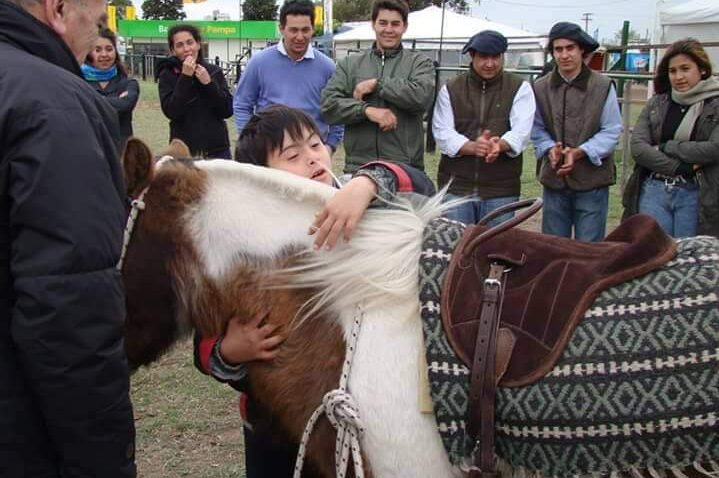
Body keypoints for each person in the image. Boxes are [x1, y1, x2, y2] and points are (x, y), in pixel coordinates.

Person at [194, 105, 434, 477]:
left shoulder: (363, 198)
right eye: (292, 155)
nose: (312, 158)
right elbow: (205, 341)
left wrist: (368, 183)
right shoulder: (251, 248)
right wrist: (229, 350)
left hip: (365, 411)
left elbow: (419, 183)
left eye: (315, 145)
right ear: (263, 180)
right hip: (275, 426)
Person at [0, 0, 136, 476]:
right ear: (58, 9)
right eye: (97, 22)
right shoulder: (53, 104)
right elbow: (69, 307)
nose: (96, 37)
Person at [432, 30, 536, 225]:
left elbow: (522, 131)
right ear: (472, 56)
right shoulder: (451, 88)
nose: (490, 64)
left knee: (494, 251)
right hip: (457, 188)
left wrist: (500, 145)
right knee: (457, 250)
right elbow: (442, 132)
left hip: (501, 189)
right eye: (483, 57)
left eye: (495, 57)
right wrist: (473, 147)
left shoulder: (520, 88)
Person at [531, 22, 623, 241]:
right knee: (553, 249)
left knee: (589, 251)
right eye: (558, 49)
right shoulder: (541, 87)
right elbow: (536, 128)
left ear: (581, 50)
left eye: (570, 48)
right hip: (554, 181)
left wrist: (581, 151)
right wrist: (548, 148)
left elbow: (611, 130)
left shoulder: (602, 85)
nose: (564, 55)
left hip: (592, 182)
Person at [320, 0, 434, 173]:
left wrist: (378, 84)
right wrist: (366, 111)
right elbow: (328, 105)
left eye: (395, 24)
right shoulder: (350, 64)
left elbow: (422, 97)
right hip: (358, 168)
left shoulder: (419, 63)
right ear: (373, 24)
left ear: (405, 26)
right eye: (382, 23)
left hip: (406, 169)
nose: (388, 29)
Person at [623, 39, 719, 238]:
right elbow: (639, 148)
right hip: (654, 189)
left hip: (696, 193)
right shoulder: (657, 103)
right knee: (653, 254)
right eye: (672, 71)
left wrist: (667, 146)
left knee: (687, 257)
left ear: (702, 69)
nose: (678, 76)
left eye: (685, 69)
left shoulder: (715, 105)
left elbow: (714, 148)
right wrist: (678, 167)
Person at [233, 0, 343, 154]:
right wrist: (249, 144)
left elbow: (337, 113)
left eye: (305, 30)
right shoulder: (259, 63)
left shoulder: (328, 67)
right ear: (282, 29)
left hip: (313, 155)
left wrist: (329, 147)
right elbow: (242, 104)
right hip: (271, 153)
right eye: (293, 30)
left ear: (313, 30)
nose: (300, 36)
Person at [157, 24, 233, 158]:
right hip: (184, 151)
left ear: (198, 44)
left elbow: (227, 110)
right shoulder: (167, 75)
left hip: (217, 150)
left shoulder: (214, 71)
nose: (186, 49)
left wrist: (208, 83)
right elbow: (172, 111)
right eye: (179, 45)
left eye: (190, 42)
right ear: (173, 50)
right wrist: (185, 77)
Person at [82, 27, 140, 150]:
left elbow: (125, 105)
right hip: (90, 149)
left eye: (109, 49)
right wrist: (114, 101)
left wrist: (89, 100)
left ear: (116, 51)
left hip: (121, 152)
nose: (104, 54)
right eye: (97, 50)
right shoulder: (79, 81)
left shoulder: (128, 83)